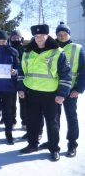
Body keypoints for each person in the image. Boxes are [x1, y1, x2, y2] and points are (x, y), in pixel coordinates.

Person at [18, 24, 72, 161]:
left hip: (51, 95)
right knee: (32, 121)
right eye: (36, 36)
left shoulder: (58, 52)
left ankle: (54, 149)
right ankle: (32, 144)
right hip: (32, 93)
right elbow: (21, 72)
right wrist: (21, 88)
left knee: (52, 123)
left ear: (47, 35)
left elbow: (66, 75)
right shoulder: (27, 52)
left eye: (42, 35)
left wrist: (62, 93)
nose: (39, 38)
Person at [38, 22, 85, 157]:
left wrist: (79, 89)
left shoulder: (77, 48)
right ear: (56, 35)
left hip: (71, 90)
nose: (62, 36)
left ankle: (72, 144)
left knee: (71, 117)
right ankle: (53, 142)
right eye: (59, 34)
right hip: (53, 89)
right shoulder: (52, 47)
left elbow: (83, 71)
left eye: (64, 33)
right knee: (53, 118)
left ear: (69, 34)